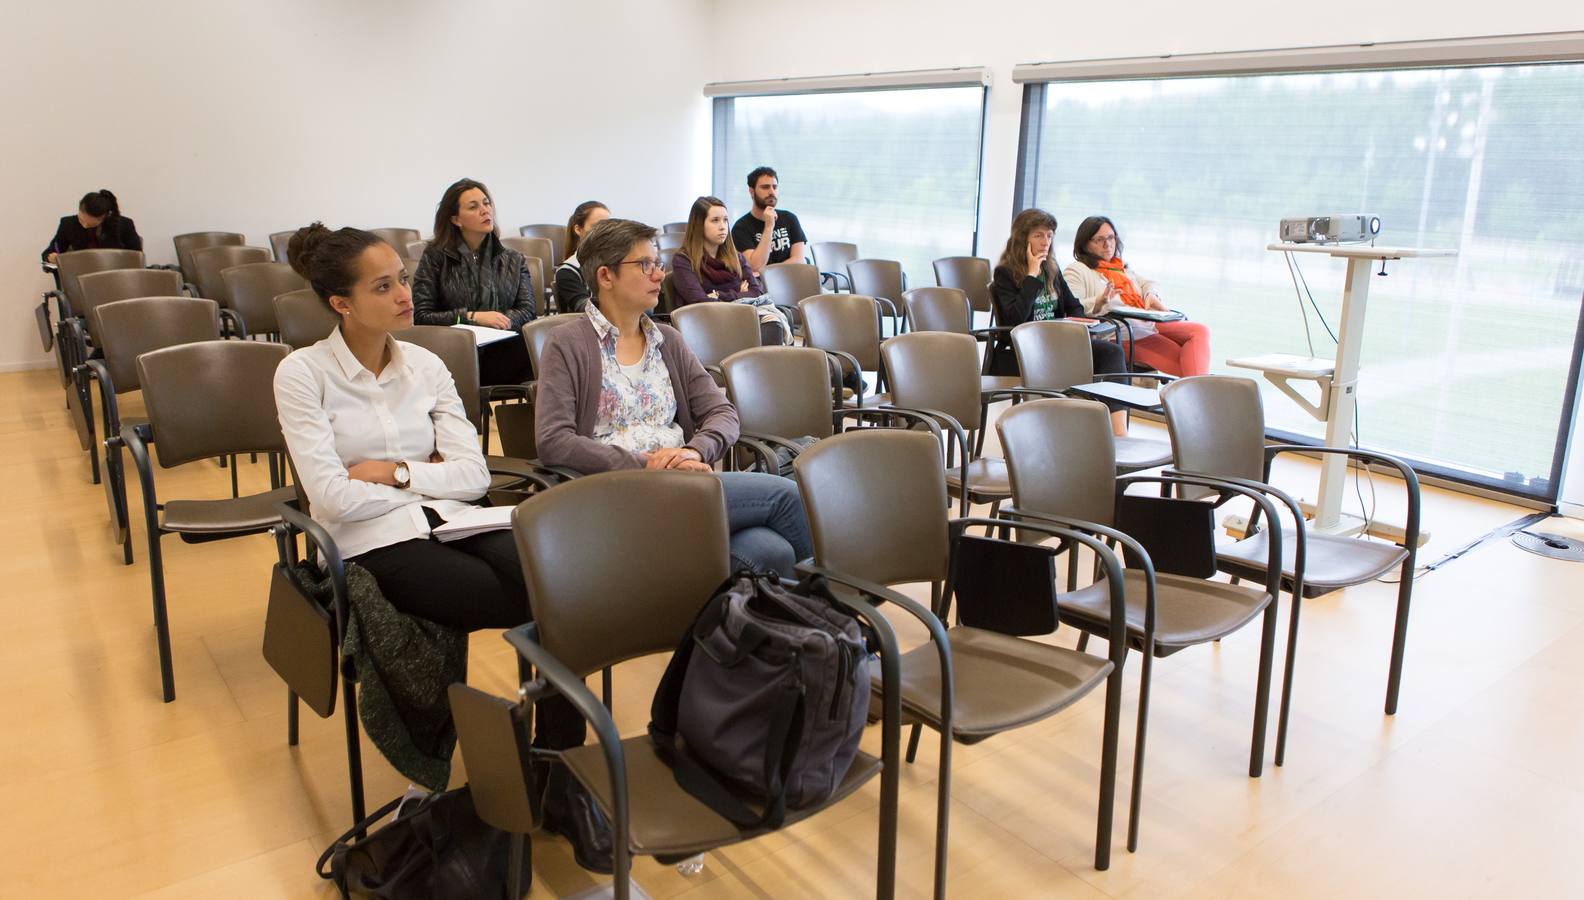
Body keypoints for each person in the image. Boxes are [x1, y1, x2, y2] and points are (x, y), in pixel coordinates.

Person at [273, 223, 610, 873]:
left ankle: (555, 767)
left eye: (402, 277)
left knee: (564, 583)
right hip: (371, 543)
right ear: (342, 303)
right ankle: (528, 767)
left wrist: (395, 472)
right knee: (539, 598)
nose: (405, 293)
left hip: (460, 519)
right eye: (384, 285)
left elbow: (476, 475)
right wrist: (418, 473)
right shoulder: (302, 374)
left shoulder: (426, 364)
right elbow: (331, 500)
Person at [535, 217, 813, 577]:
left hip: (683, 482)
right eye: (645, 265)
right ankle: (834, 614)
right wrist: (646, 464)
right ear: (606, 277)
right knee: (784, 496)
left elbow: (722, 413)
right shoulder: (567, 344)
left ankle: (745, 628)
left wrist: (693, 451)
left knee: (769, 552)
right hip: (616, 494)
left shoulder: (666, 338)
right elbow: (554, 441)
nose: (658, 275)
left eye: (657, 263)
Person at [990, 208, 1132, 436]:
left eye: (1049, 235)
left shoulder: (1052, 269)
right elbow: (1014, 323)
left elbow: (1074, 308)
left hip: (1057, 346)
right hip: (1027, 352)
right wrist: (1031, 278)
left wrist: (1087, 318)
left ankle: (1118, 435)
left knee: (1111, 353)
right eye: (1038, 235)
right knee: (1100, 358)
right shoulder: (1005, 274)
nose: (1045, 241)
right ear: (1022, 238)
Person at [412, 178, 537, 385]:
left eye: (486, 203)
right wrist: (473, 317)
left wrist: (499, 322)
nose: (485, 210)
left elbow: (527, 310)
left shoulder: (513, 259)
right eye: (473, 207)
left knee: (541, 349)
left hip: (504, 349)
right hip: (454, 352)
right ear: (455, 220)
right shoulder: (434, 257)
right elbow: (423, 316)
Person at [1064, 216, 1211, 377]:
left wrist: (1150, 295)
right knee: (1189, 365)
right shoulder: (1077, 270)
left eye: (1111, 237)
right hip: (1121, 332)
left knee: (1198, 336)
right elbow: (1073, 308)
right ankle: (1200, 394)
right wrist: (1099, 300)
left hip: (1144, 325)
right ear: (1084, 244)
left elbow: (1148, 283)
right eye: (1099, 240)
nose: (1107, 244)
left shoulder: (1120, 268)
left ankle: (1199, 394)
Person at [671, 195, 790, 345]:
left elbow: (755, 292)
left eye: (725, 220)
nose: (722, 226)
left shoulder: (736, 257)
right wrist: (739, 294)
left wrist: (718, 294)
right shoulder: (683, 260)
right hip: (705, 325)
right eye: (715, 220)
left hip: (739, 318)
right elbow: (700, 302)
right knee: (765, 327)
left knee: (772, 323)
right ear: (699, 225)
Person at [730, 166, 807, 275]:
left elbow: (799, 260)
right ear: (751, 191)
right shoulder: (741, 228)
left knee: (824, 292)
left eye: (774, 187)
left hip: (792, 280)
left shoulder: (790, 218)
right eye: (765, 187)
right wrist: (769, 226)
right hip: (762, 287)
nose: (771, 192)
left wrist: (767, 273)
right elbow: (755, 266)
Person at [42, 190, 142, 265]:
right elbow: (48, 253)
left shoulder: (124, 225)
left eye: (90, 224)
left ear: (104, 217)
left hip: (116, 277)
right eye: (81, 220)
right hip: (81, 278)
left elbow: (137, 257)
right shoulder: (68, 223)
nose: (84, 226)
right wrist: (51, 257)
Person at [553, 200, 609, 314]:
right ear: (578, 229)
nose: (604, 232)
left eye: (607, 226)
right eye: (596, 226)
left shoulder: (617, 263)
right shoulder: (567, 271)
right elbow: (585, 309)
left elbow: (647, 310)